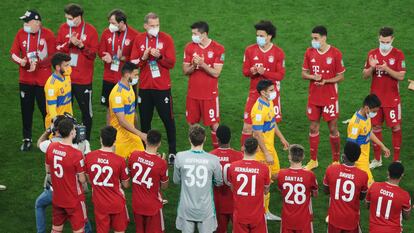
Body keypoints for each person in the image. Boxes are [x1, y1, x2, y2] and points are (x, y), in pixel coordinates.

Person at [131, 12, 177, 164]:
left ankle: (172, 152)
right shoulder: (138, 39)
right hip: (144, 87)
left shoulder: (166, 39)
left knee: (168, 120)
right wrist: (144, 57)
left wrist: (160, 57)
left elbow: (171, 63)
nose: (155, 28)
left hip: (162, 87)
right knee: (145, 121)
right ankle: (146, 151)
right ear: (145, 26)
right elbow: (133, 63)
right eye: (152, 26)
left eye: (157, 25)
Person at [36, 115, 92, 233]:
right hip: (73, 198)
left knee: (56, 229)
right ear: (72, 132)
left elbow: (48, 170)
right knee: (79, 229)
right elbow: (82, 180)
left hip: (57, 196)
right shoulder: (76, 153)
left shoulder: (51, 147)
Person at [10, 9, 56, 151]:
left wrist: (39, 63)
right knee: (26, 110)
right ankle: (27, 139)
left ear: (37, 22)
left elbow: (53, 56)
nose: (25, 24)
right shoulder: (21, 34)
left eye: (27, 21)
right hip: (26, 80)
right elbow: (13, 53)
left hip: (43, 81)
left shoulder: (48, 35)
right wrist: (21, 62)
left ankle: (49, 139)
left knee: (46, 111)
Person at [302, 26, 345, 170]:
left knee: (333, 128)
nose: (313, 41)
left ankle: (336, 160)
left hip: (330, 98)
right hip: (314, 97)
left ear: (324, 37)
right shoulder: (309, 52)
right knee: (313, 127)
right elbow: (304, 74)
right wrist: (313, 77)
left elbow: (341, 76)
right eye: (312, 38)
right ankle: (313, 160)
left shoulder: (335, 53)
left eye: (316, 38)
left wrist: (326, 81)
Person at [362, 27, 406, 167]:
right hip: (375, 100)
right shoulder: (372, 54)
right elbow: (365, 75)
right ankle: (377, 159)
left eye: (386, 42)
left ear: (392, 39)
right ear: (378, 39)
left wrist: (386, 68)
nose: (384, 44)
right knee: (375, 127)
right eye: (382, 41)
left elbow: (401, 76)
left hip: (392, 100)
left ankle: (396, 159)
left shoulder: (398, 54)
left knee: (395, 127)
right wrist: (372, 67)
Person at [56, 3, 99, 140]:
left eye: (69, 18)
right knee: (64, 111)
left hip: (83, 80)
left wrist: (81, 45)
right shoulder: (63, 29)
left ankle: (85, 140)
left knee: (86, 112)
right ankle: (66, 138)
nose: (67, 20)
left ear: (78, 17)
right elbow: (58, 49)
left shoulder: (91, 31)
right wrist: (69, 43)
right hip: (66, 79)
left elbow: (93, 55)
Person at [240, 20, 285, 148]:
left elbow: (280, 75)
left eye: (261, 36)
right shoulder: (250, 50)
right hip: (254, 94)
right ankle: (244, 157)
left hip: (270, 96)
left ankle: (264, 155)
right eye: (257, 35)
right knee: (247, 127)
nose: (258, 38)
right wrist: (252, 71)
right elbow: (245, 71)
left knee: (268, 128)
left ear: (269, 36)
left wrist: (265, 72)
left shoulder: (278, 53)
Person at [183, 21, 225, 149]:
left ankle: (218, 152)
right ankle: (194, 150)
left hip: (209, 96)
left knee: (214, 124)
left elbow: (216, 73)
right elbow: (185, 71)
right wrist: (194, 66)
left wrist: (202, 64)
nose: (193, 36)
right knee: (192, 123)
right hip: (193, 94)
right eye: (193, 33)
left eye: (195, 34)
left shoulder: (218, 49)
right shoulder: (189, 47)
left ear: (204, 34)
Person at [251, 79, 289, 220]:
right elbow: (257, 134)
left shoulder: (269, 102)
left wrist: (282, 138)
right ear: (263, 93)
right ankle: (264, 212)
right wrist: (266, 153)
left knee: (275, 175)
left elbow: (272, 123)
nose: (274, 92)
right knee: (265, 183)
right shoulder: (258, 110)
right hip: (262, 152)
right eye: (271, 90)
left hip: (270, 148)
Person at [173, 124, 223, 233]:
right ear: (205, 139)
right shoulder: (213, 160)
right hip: (205, 210)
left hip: (186, 209)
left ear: (189, 139)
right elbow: (219, 182)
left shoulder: (180, 156)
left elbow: (176, 180)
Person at [85, 126, 130, 233]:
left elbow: (88, 179)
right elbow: (126, 184)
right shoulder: (120, 160)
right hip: (116, 203)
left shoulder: (89, 157)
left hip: (99, 203)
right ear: (115, 141)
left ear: (101, 139)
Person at [99, 9, 140, 124]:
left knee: (131, 109)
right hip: (109, 76)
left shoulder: (134, 35)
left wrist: (122, 58)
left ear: (122, 23)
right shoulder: (106, 33)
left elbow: (135, 59)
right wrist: (105, 57)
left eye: (113, 23)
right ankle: (109, 140)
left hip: (126, 78)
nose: (110, 26)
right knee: (110, 108)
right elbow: (101, 51)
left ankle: (135, 137)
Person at [323, 141, 368, 233]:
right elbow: (361, 197)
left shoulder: (331, 169)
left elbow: (326, 191)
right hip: (351, 221)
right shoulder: (363, 176)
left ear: (344, 156)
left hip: (334, 219)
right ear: (357, 158)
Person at [129, 130, 169, 233]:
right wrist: (161, 162)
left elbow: (131, 172)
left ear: (146, 141)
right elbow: (164, 186)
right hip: (153, 206)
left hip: (137, 204)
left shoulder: (134, 155)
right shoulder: (161, 163)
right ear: (159, 143)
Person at [227, 137, 270, 233]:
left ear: (243, 148)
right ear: (258, 149)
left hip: (240, 214)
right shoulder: (264, 169)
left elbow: (232, 188)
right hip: (257, 215)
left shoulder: (233, 166)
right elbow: (266, 190)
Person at [347, 94, 390, 186]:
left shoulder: (367, 116)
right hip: (359, 160)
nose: (375, 114)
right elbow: (351, 146)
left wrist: (382, 146)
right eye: (374, 111)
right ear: (367, 108)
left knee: (361, 185)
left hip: (365, 158)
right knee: (371, 187)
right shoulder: (356, 124)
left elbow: (369, 133)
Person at [109, 62, 146, 158]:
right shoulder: (117, 94)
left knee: (142, 160)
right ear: (127, 75)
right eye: (135, 75)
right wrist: (140, 134)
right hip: (120, 138)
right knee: (118, 168)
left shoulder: (130, 89)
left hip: (131, 135)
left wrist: (137, 132)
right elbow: (122, 121)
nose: (137, 77)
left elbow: (132, 113)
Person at [277, 144, 318, 233]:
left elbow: (281, 190)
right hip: (304, 219)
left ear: (289, 156)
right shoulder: (310, 175)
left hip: (287, 219)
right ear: (303, 157)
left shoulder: (281, 174)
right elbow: (315, 194)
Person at [209, 125, 243, 232]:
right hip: (235, 203)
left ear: (217, 139)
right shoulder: (240, 156)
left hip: (217, 203)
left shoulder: (210, 157)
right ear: (230, 138)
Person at [366, 162, 411, 232]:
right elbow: (406, 217)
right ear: (402, 175)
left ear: (388, 172)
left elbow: (367, 206)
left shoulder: (374, 186)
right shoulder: (404, 195)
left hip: (374, 230)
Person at [44, 52, 73, 129]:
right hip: (57, 124)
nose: (69, 68)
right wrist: (58, 125)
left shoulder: (67, 76)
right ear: (58, 67)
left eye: (69, 64)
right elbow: (52, 110)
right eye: (66, 65)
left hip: (68, 121)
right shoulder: (51, 85)